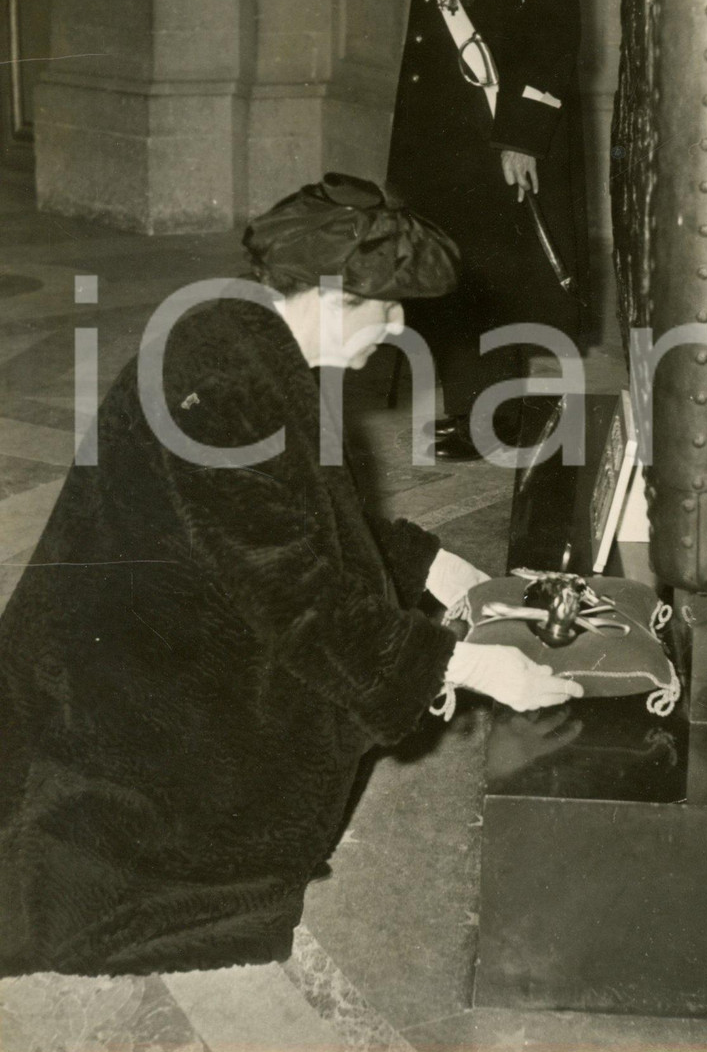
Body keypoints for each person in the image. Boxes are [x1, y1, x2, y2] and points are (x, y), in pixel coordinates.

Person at [0, 174, 581, 978]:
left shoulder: (232, 331)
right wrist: (476, 665)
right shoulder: (235, 389)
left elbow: (296, 521)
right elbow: (303, 604)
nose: (400, 326)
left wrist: (440, 567)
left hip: (125, 636)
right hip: (122, 698)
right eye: (386, 307)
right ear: (331, 296)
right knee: (270, 769)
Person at [386, 0, 588, 461]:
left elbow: (553, 34)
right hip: (442, 132)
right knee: (452, 270)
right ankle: (474, 408)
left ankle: (499, 416)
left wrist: (524, 136)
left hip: (496, 127)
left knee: (501, 274)